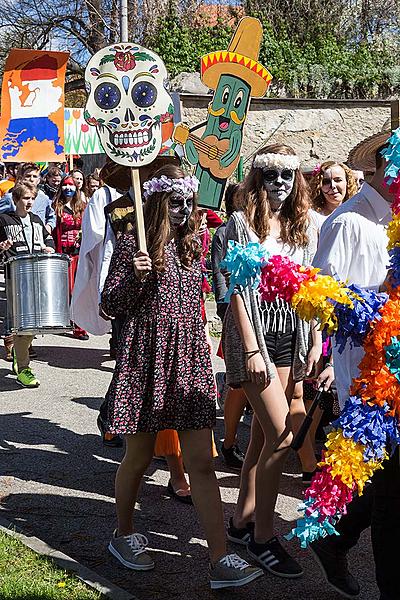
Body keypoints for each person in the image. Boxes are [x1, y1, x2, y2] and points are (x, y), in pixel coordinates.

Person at [100, 164, 263, 589]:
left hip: (188, 359)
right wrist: (135, 278)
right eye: (175, 201)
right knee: (136, 458)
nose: (183, 208)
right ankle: (123, 534)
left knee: (201, 464)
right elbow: (110, 304)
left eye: (188, 201)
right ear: (156, 201)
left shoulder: (196, 243)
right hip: (146, 360)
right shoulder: (131, 243)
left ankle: (220, 560)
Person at [222, 143, 321, 577]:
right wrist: (249, 349)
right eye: (270, 175)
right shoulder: (240, 224)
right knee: (283, 437)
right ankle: (264, 537)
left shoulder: (304, 227)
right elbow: (235, 292)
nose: (279, 184)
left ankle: (242, 521)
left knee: (263, 438)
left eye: (286, 175)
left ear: (296, 179)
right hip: (255, 334)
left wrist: (316, 337)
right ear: (257, 179)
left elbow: (310, 286)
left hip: (291, 333)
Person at [310, 130, 399, 600]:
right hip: (366, 375)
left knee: (385, 479)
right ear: (386, 168)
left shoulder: (395, 219)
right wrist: (383, 301)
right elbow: (319, 298)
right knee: (389, 491)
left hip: (396, 372)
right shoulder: (350, 222)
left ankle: (334, 539)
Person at [0, 183, 55, 387]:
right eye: (25, 198)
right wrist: (1, 247)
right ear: (15, 200)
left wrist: (48, 248)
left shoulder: (37, 220)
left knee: (33, 324)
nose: (30, 202)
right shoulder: (4, 220)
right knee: (24, 324)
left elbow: (48, 240)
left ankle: (18, 354)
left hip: (37, 275)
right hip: (15, 275)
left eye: (32, 198)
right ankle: (24, 368)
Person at [211, 183, 248, 469]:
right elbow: (219, 270)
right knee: (237, 376)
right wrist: (225, 303)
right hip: (231, 305)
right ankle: (229, 441)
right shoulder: (225, 231)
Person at [52, 174, 88, 340]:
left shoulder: (83, 206)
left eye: (71, 185)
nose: (68, 188)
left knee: (79, 291)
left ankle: (80, 327)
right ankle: (64, 320)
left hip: (79, 255)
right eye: (65, 185)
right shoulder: (56, 207)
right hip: (63, 255)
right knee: (66, 291)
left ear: (77, 188)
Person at [0, 163, 56, 233]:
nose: (31, 179)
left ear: (38, 180)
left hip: (38, 240)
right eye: (28, 176)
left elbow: (51, 216)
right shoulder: (10, 197)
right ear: (21, 178)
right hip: (17, 240)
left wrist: (49, 227)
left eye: (34, 176)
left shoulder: (44, 198)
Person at [309, 160, 357, 228]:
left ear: (347, 182)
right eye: (326, 182)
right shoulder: (313, 217)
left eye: (338, 180)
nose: (333, 186)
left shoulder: (357, 213)